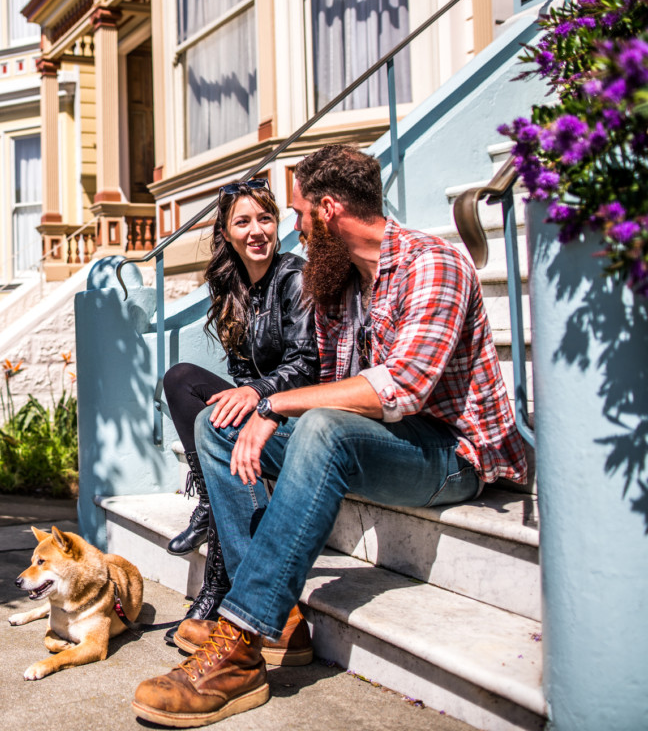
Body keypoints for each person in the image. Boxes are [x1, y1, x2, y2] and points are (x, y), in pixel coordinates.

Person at [132, 145, 528, 728]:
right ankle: (282, 618)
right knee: (216, 426)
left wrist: (274, 402)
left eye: (296, 214)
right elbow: (319, 374)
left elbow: (401, 388)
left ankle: (240, 644)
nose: (291, 228)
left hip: (450, 453)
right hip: (371, 440)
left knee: (318, 425)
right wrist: (261, 409)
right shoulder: (339, 282)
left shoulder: (432, 263)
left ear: (329, 209)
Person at [160, 179, 317, 644]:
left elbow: (308, 363)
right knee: (180, 380)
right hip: (260, 400)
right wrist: (247, 395)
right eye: (243, 222)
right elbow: (240, 368)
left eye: (265, 219)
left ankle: (216, 586)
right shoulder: (230, 286)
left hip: (295, 412)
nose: (256, 231)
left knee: (217, 427)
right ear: (227, 233)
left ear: (278, 224)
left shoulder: (295, 276)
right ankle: (210, 505)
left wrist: (258, 396)